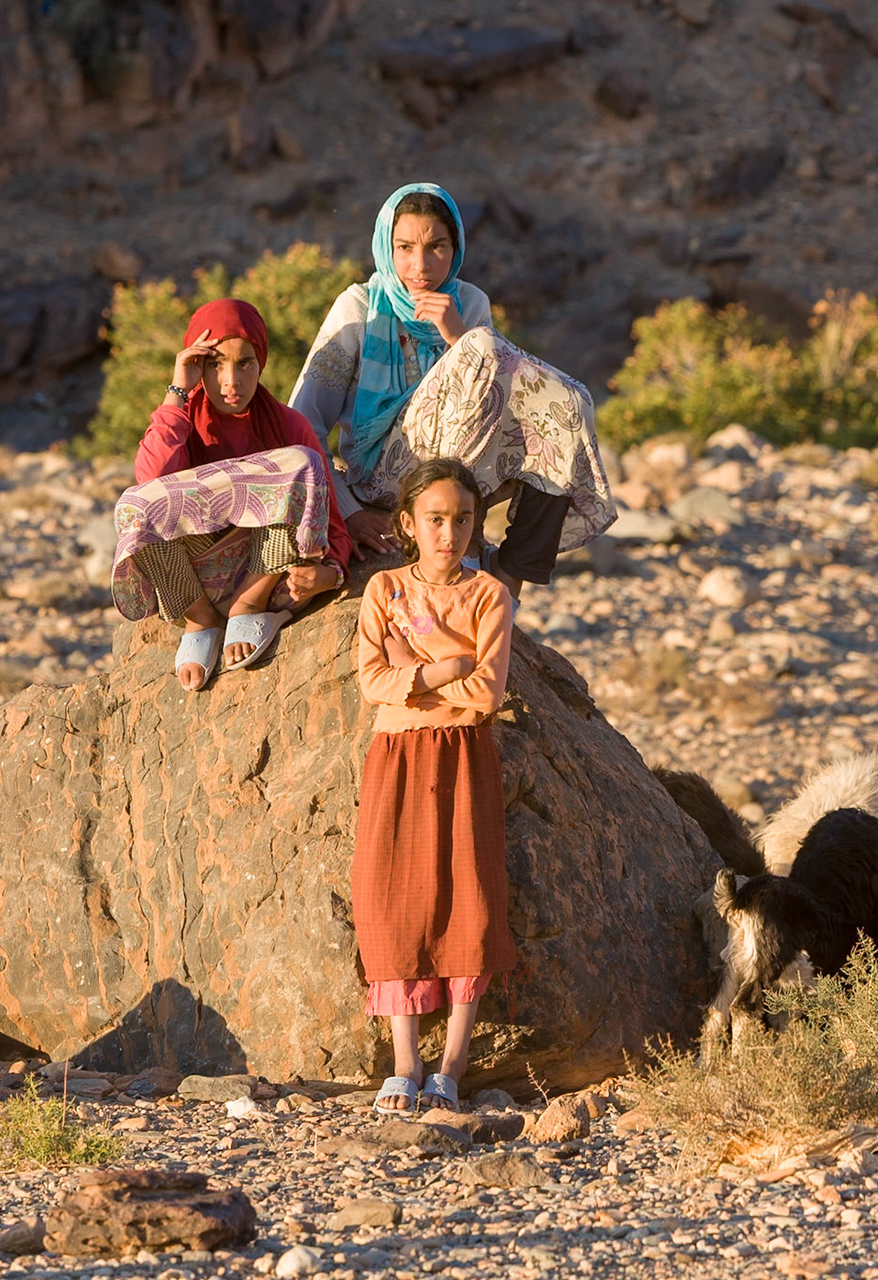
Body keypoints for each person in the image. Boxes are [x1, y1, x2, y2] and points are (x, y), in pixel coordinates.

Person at [289, 181, 615, 599]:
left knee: (569, 403)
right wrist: (349, 513)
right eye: (404, 247)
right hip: (380, 479)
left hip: (465, 471)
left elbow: (498, 405)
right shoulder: (359, 308)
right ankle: (449, 545)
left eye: (436, 247)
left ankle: (510, 571)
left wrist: (454, 333)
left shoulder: (471, 302)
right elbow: (303, 420)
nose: (420, 265)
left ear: (456, 247)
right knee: (481, 348)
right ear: (385, 248)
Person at [351, 457, 515, 1114]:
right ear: (408, 524)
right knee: (390, 900)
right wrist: (444, 665)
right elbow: (371, 681)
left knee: (469, 898)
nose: (449, 534)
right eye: (436, 520)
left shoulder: (489, 597)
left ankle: (452, 1065)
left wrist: (410, 667)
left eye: (463, 520)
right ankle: (404, 1062)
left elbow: (485, 695)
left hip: (464, 755)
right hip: (395, 755)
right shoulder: (384, 591)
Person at [111, 299, 351, 692]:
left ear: (262, 363)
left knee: (301, 463)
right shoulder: (184, 421)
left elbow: (330, 523)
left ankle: (248, 606)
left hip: (272, 581)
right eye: (214, 364)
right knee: (135, 506)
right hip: (195, 582)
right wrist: (177, 391)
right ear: (197, 368)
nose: (231, 381)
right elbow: (150, 482)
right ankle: (201, 620)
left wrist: (327, 574)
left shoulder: (288, 424)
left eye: (245, 364)